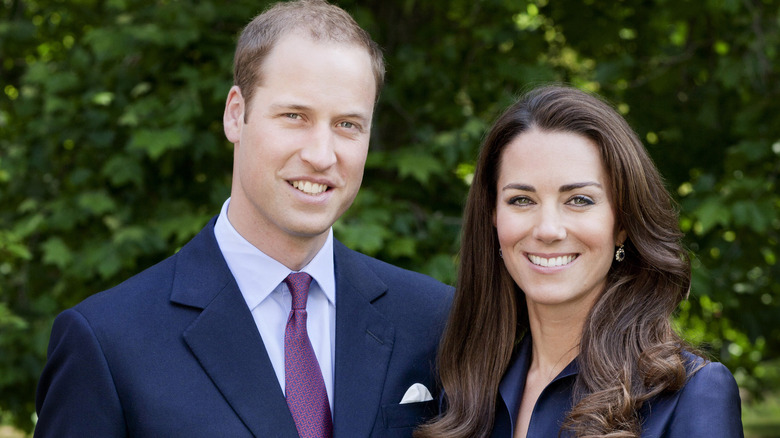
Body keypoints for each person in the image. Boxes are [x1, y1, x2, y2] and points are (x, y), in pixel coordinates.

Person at [34, 1, 452, 437]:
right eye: (295, 116)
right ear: (236, 113)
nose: (321, 155)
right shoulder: (107, 342)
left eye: (347, 124)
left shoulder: (433, 320)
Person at [415, 85, 743, 438]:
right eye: (522, 200)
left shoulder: (691, 394)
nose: (548, 229)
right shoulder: (465, 392)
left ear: (622, 224)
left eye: (580, 200)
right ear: (493, 216)